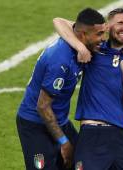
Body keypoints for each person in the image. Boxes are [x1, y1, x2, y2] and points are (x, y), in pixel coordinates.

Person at [53, 8, 123, 170]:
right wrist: (81, 48)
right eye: (120, 23)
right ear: (107, 27)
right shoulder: (95, 48)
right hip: (92, 135)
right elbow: (59, 21)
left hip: (122, 136)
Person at [16, 8, 107, 170]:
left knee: (83, 164)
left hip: (60, 121)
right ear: (83, 35)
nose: (103, 39)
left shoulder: (79, 42)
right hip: (35, 124)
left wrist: (81, 47)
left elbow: (61, 21)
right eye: (99, 34)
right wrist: (64, 143)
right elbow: (42, 106)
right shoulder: (60, 61)